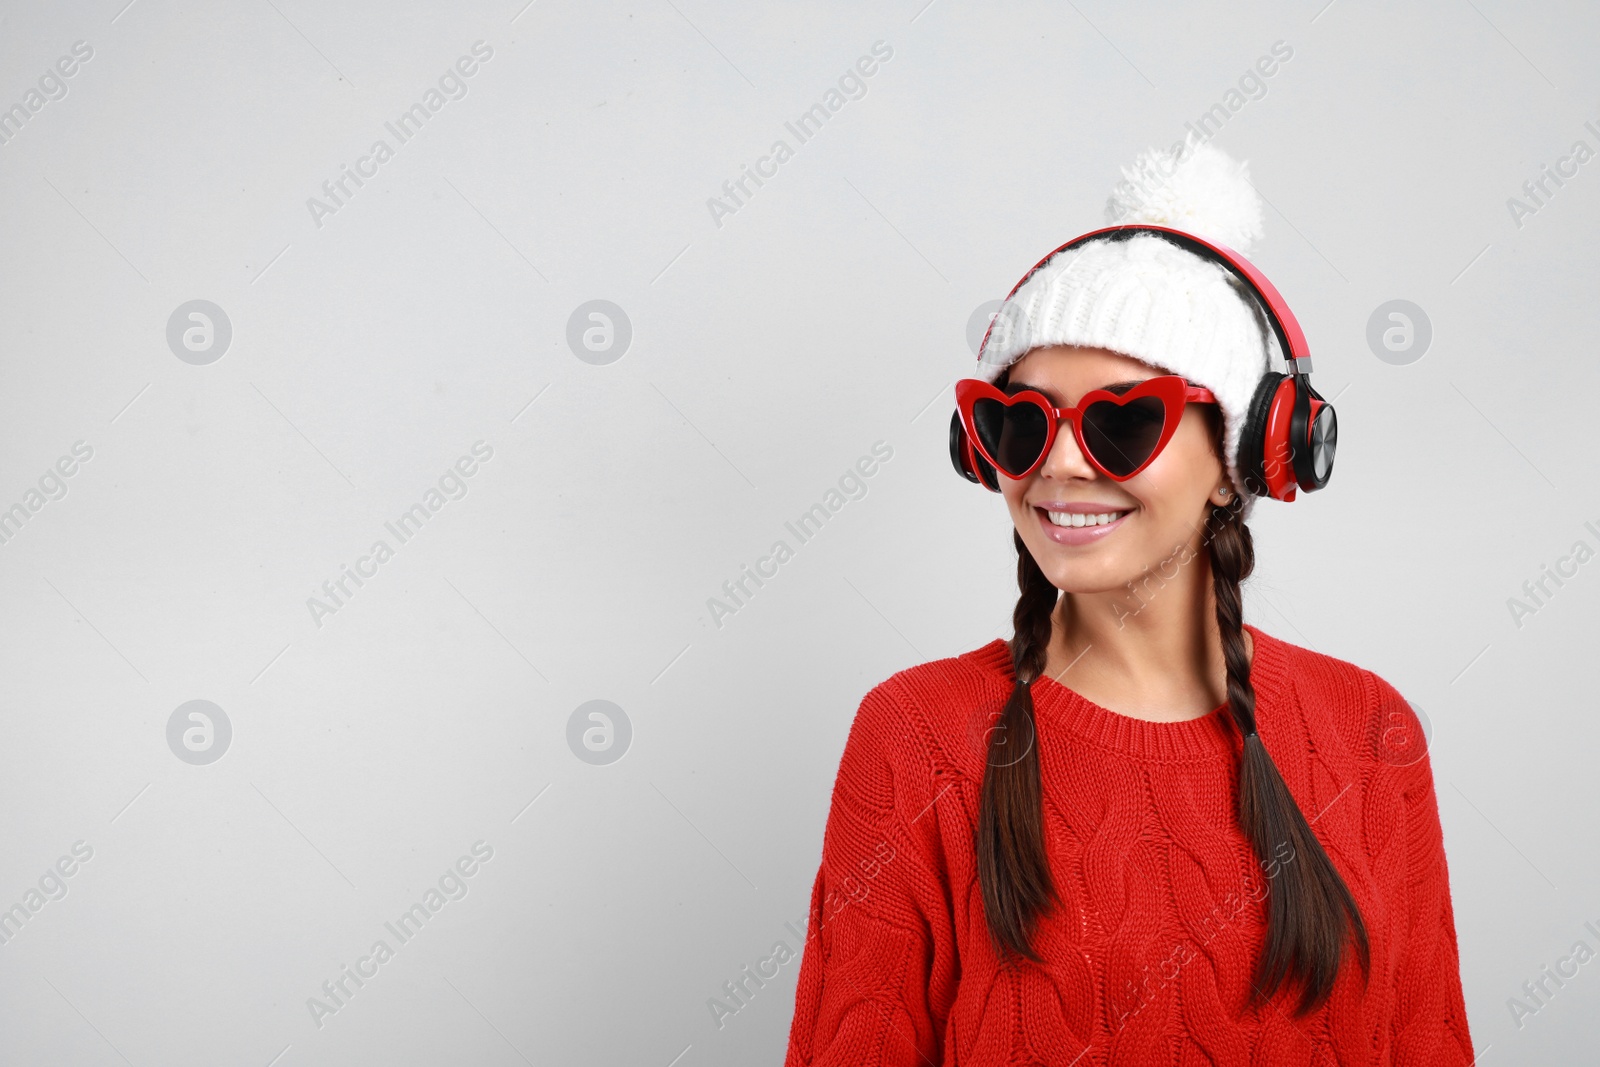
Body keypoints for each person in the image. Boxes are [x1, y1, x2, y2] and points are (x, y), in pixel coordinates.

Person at [782, 138, 1474, 1065]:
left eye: (1122, 419)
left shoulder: (1372, 733)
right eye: (1020, 422)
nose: (1060, 463)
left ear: (1241, 461)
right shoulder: (915, 737)